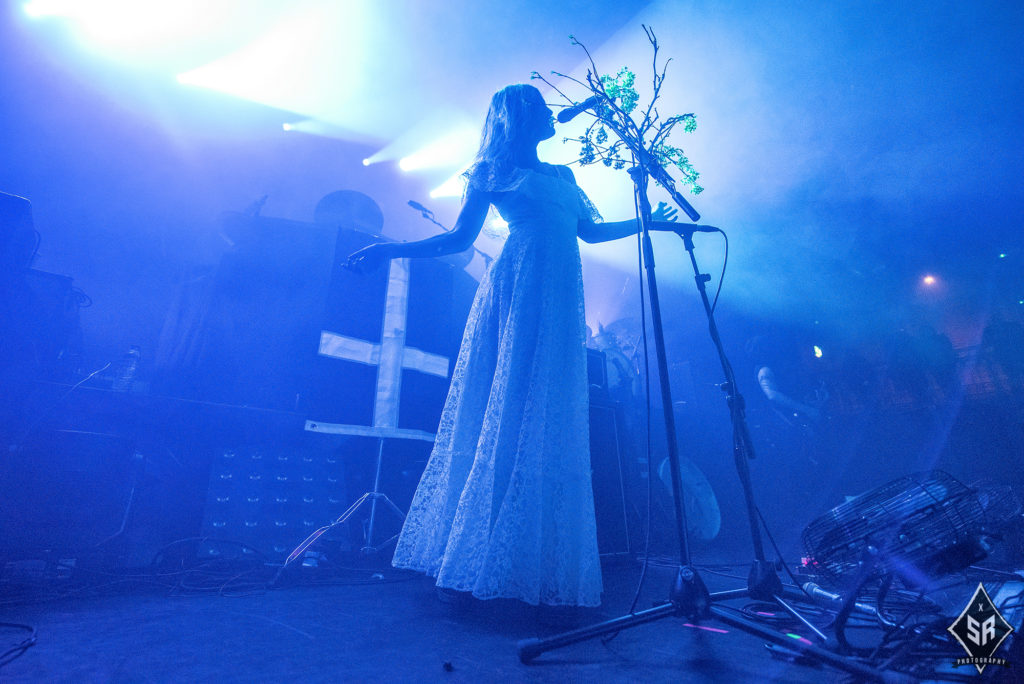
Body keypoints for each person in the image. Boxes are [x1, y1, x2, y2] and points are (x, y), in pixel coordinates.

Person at [346, 83, 677, 607]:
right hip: (517, 292)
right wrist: (391, 249)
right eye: (541, 108)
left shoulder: (565, 175)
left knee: (545, 414)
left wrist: (648, 220)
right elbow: (457, 239)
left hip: (559, 299)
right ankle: (476, 554)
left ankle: (528, 555)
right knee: (504, 408)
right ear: (518, 117)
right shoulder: (490, 173)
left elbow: (588, 232)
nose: (551, 114)